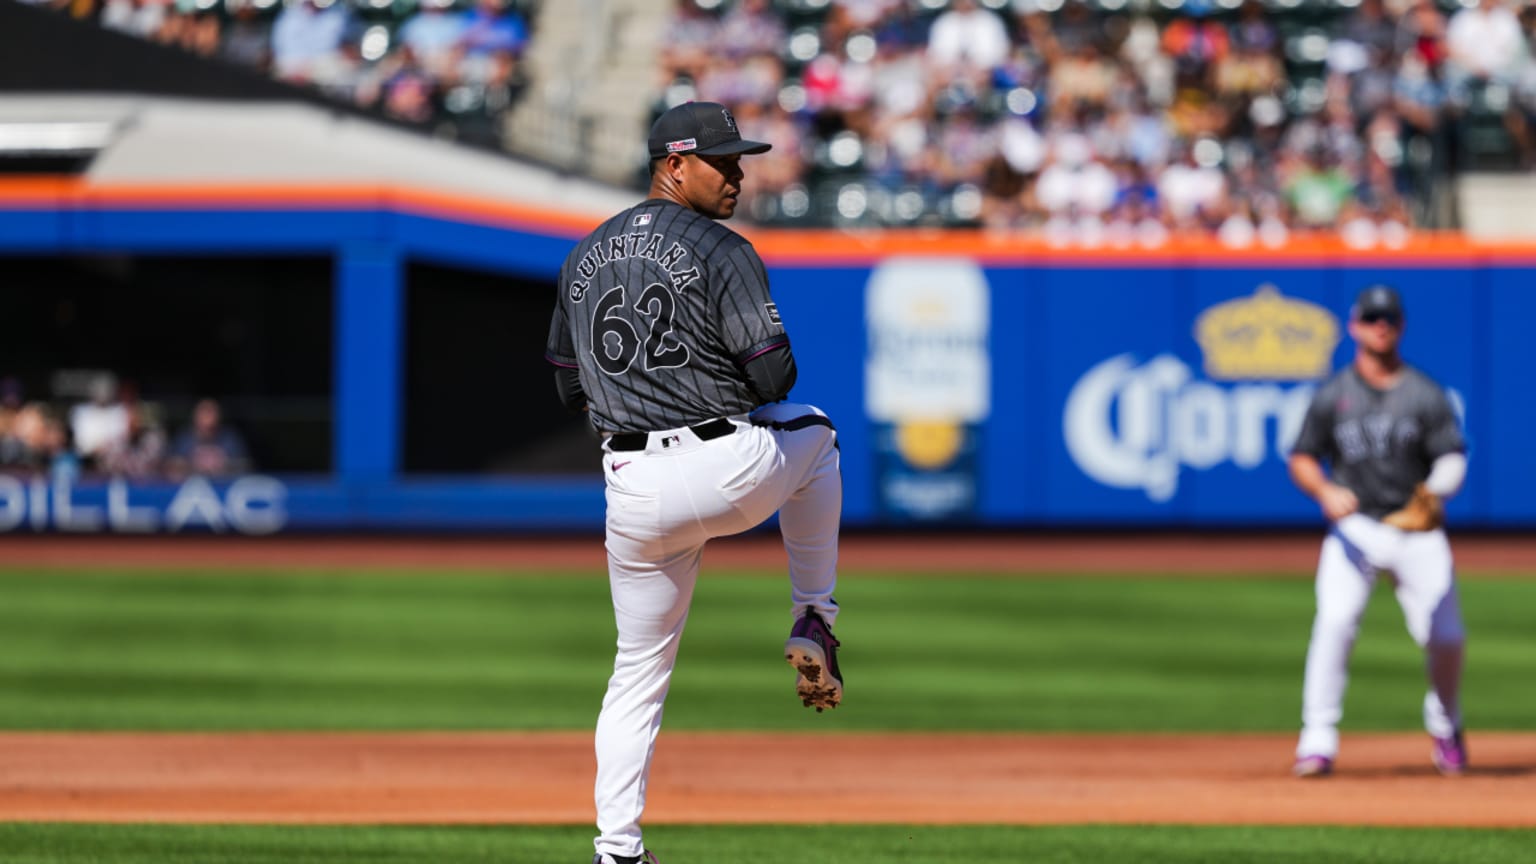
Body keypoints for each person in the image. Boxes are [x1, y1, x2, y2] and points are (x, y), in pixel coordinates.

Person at [545, 101, 844, 864]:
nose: (739, 173)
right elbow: (775, 371)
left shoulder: (583, 254)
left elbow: (566, 386)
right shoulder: (723, 248)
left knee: (636, 672)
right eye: (723, 160)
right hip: (727, 469)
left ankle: (617, 850)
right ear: (672, 165)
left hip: (633, 489)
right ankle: (814, 614)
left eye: (740, 159)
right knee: (816, 430)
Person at [1288, 285, 1469, 778]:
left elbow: (1452, 455)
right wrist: (1324, 491)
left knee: (1447, 637)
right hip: (1356, 528)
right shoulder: (1334, 393)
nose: (1380, 326)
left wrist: (1434, 492)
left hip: (1415, 530)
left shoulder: (1424, 393)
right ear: (1354, 326)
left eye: (1387, 318)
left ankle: (1446, 725)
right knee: (1334, 622)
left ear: (1400, 325)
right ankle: (1317, 739)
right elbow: (1302, 455)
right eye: (1371, 318)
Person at [164, 398, 252, 480]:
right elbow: (170, 467)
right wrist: (193, 465)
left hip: (223, 487)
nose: (208, 420)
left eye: (211, 413)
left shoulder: (229, 438)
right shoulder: (185, 439)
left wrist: (224, 464)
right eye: (204, 413)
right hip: (191, 489)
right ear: (195, 418)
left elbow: (246, 466)